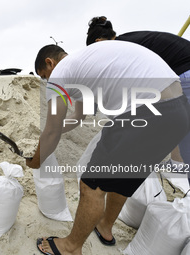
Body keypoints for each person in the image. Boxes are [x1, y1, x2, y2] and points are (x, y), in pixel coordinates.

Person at [27, 42, 190, 255]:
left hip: (146, 112)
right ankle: (104, 227)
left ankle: (70, 247)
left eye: (45, 76)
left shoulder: (63, 72)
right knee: (123, 176)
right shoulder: (85, 65)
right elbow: (76, 119)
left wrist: (36, 160)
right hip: (179, 112)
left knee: (91, 184)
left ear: (50, 62)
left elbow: (51, 132)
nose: (47, 81)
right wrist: (54, 132)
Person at [86, 16, 190, 182]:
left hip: (184, 73)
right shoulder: (127, 43)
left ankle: (179, 167)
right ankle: (177, 164)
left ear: (99, 42)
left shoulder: (120, 50)